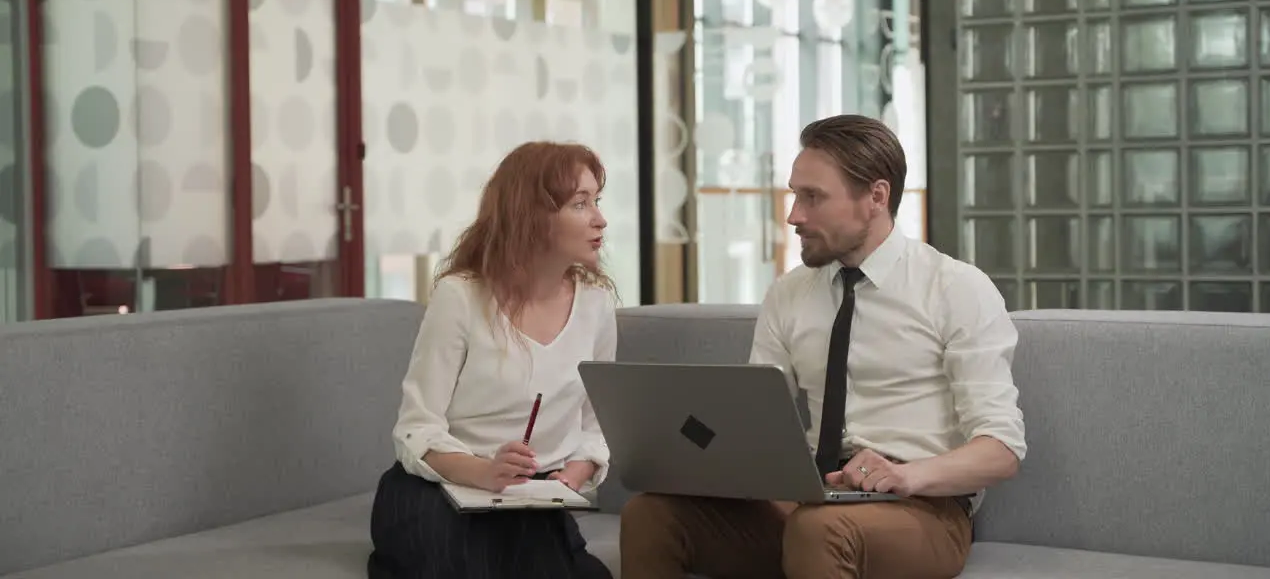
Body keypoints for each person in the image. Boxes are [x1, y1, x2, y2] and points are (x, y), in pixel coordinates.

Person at [619, 115, 1027, 579]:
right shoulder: (790, 294)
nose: (794, 215)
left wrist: (908, 475)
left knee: (819, 529)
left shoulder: (955, 289)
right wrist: (711, 458)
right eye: (795, 194)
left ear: (876, 196)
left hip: (924, 510)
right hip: (813, 500)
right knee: (650, 515)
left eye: (812, 197)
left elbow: (1002, 449)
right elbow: (753, 419)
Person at [367, 141, 617, 579]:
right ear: (533, 216)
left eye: (597, 200)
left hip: (527, 500)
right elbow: (416, 428)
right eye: (581, 203)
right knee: (470, 561)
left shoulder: (596, 306)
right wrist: (485, 472)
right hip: (439, 490)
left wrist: (571, 478)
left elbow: (597, 428)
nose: (600, 218)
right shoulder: (460, 296)